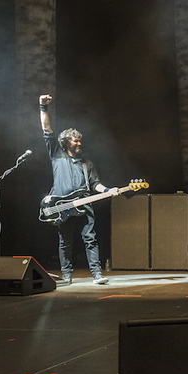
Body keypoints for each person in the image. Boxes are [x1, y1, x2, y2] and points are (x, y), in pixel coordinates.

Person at [39, 94, 118, 285]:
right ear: (66, 142)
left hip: (85, 204)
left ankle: (97, 274)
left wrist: (107, 190)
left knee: (90, 240)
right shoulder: (56, 155)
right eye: (75, 141)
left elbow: (95, 184)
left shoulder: (87, 163)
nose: (79, 143)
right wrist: (43, 106)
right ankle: (67, 275)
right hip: (63, 206)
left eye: (80, 141)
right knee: (65, 242)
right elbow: (46, 129)